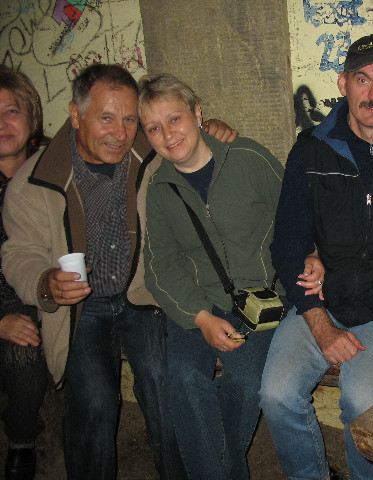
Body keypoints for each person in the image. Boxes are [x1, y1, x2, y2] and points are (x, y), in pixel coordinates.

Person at [0, 63, 236, 480]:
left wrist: (211, 129)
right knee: (95, 399)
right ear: (76, 115)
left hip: (141, 292)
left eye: (129, 120)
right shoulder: (34, 181)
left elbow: (186, 141)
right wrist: (45, 283)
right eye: (105, 118)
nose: (120, 133)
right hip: (80, 307)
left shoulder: (150, 153)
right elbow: (19, 252)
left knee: (163, 386)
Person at [260, 34, 373, 480]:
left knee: (364, 403)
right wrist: (320, 323)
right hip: (320, 302)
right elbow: (288, 241)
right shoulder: (310, 148)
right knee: (276, 395)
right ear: (343, 83)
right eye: (363, 80)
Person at [138, 72, 286, 479]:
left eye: (175, 119)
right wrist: (201, 317)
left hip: (260, 297)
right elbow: (160, 265)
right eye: (153, 128)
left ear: (197, 113)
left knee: (245, 379)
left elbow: (294, 216)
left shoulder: (249, 158)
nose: (168, 134)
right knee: (183, 378)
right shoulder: (160, 188)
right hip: (197, 302)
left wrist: (309, 257)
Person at [0, 66, 48, 480]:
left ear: (31, 116)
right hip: (3, 299)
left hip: (45, 285)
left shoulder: (57, 162)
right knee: (21, 348)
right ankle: (21, 440)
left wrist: (203, 129)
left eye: (11, 111)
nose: (1, 123)